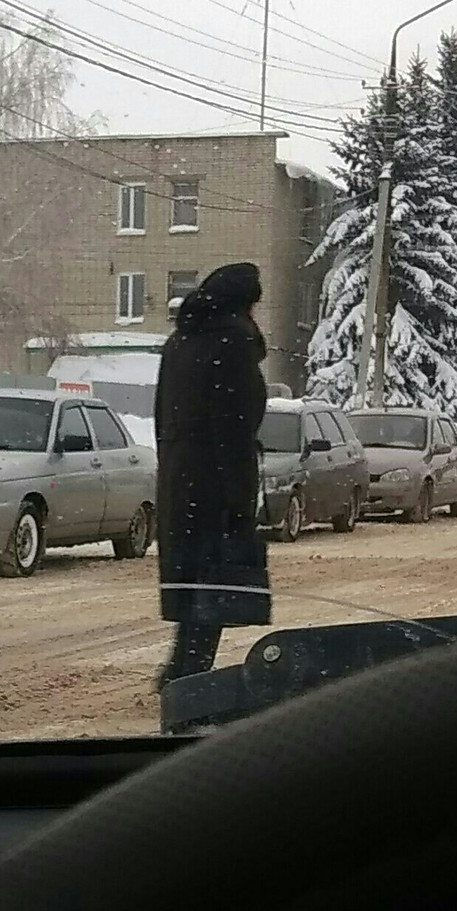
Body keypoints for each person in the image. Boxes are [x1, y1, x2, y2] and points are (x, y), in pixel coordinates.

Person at [154, 260, 271, 689]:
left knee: (191, 580)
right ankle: (191, 676)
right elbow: (234, 427)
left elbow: (161, 415)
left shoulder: (179, 342)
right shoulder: (232, 344)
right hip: (216, 481)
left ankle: (182, 665)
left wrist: (172, 470)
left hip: (179, 479)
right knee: (217, 581)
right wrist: (240, 498)